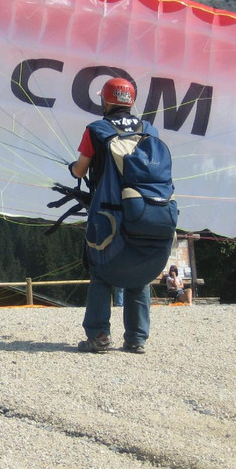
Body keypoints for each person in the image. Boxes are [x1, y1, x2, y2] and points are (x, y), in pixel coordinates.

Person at [70, 76, 156, 354]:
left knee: (101, 271)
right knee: (140, 271)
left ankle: (99, 336)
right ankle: (136, 338)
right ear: (131, 101)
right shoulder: (149, 130)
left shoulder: (96, 129)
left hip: (107, 213)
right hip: (144, 210)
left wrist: (73, 167)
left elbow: (80, 171)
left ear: (106, 100)